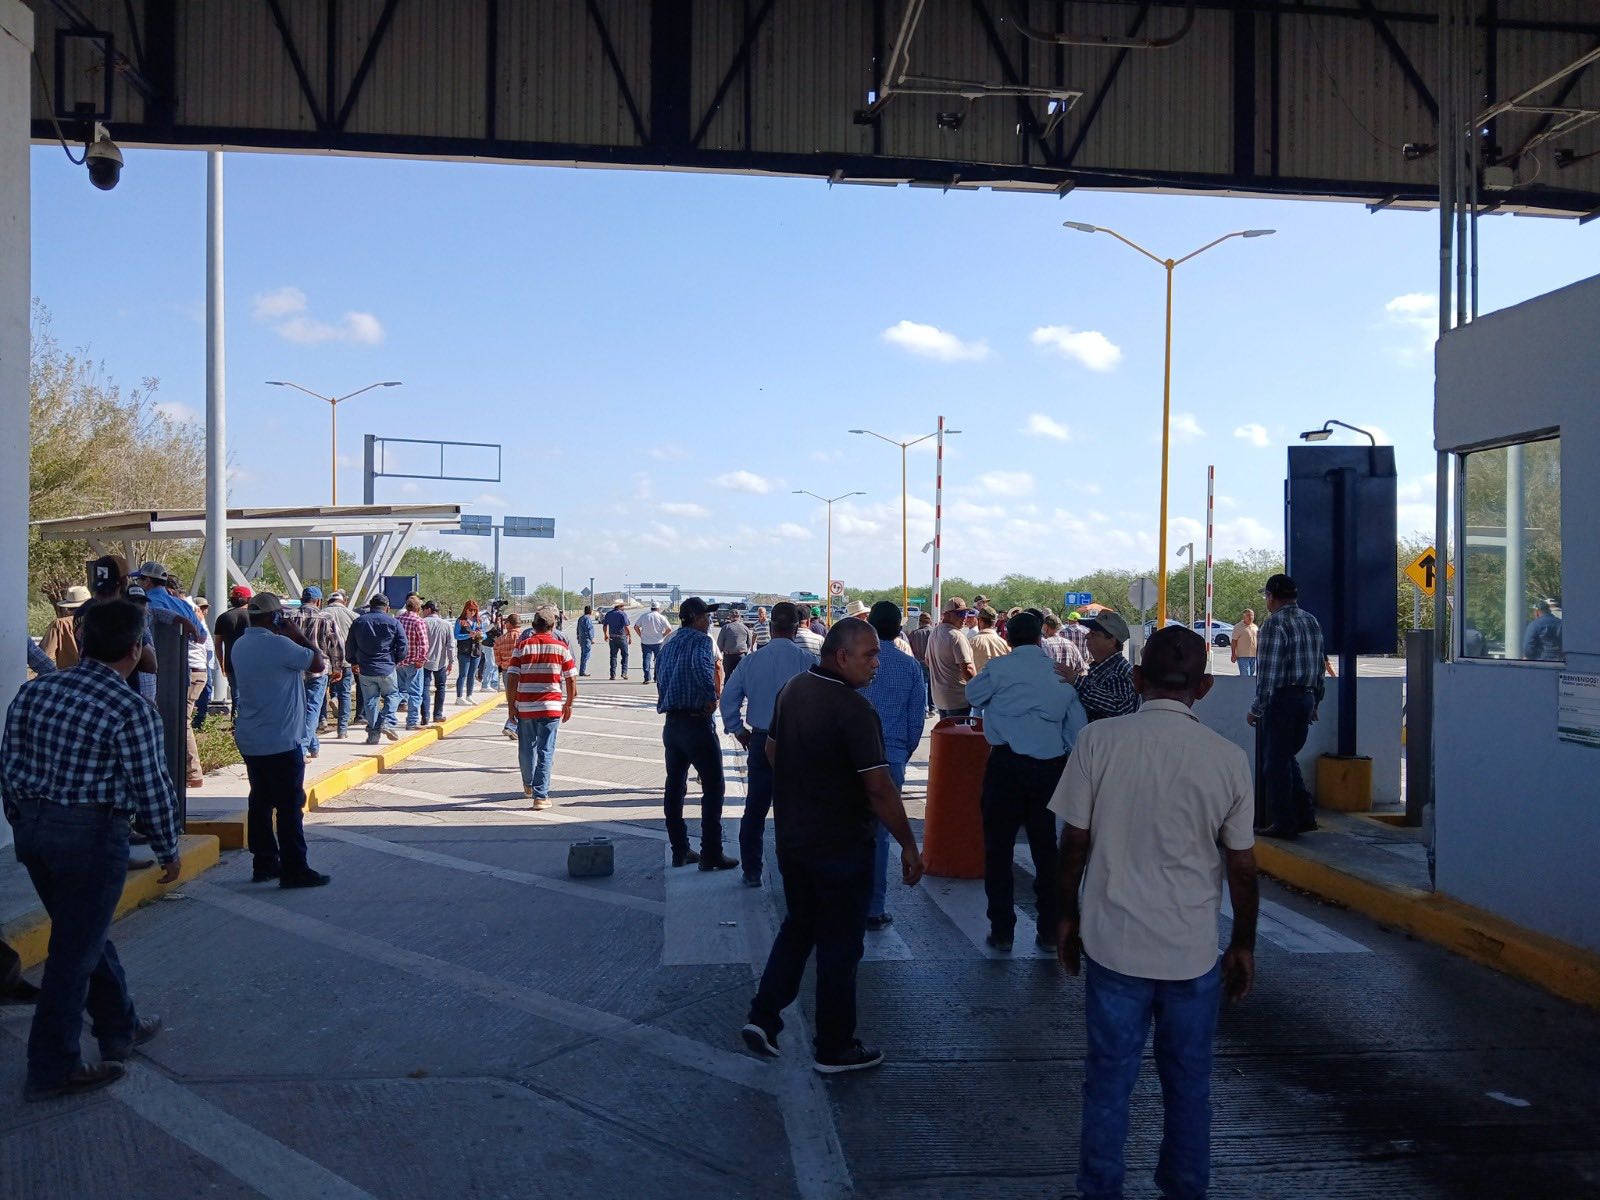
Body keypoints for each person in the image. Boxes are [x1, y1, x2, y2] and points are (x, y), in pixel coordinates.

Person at [1051, 626, 1259, 1200]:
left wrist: (1064, 916)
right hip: (1191, 952)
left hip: (1113, 945)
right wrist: (1242, 943)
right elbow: (1241, 867)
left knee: (1108, 1084)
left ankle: (1101, 1189)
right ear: (1207, 685)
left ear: (1138, 680)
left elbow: (1074, 844)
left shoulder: (1098, 742)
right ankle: (1185, 1189)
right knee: (1190, 1085)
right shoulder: (1228, 759)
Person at [2, 600, 180, 1101]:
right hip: (89, 837)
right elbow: (152, 787)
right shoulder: (130, 708)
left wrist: (22, 819)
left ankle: (119, 1026)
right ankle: (52, 1066)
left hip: (34, 831)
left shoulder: (37, 690)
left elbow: (8, 762)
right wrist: (168, 847)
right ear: (136, 649)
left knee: (85, 935)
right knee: (73, 953)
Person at [742, 619, 925, 1074]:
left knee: (800, 926)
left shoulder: (794, 690)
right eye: (869, 655)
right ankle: (835, 1046)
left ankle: (764, 1017)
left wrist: (804, 785)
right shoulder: (854, 709)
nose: (877, 664)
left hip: (794, 840)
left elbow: (772, 752)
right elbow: (880, 788)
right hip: (842, 845)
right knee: (841, 946)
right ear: (841, 656)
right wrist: (908, 843)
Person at [965, 611, 1086, 952]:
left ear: (1009, 639)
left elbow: (973, 696)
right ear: (1039, 639)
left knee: (998, 848)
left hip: (1005, 767)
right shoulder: (1060, 675)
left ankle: (1002, 930)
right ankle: (1048, 929)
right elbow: (1075, 731)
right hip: (1047, 770)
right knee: (1046, 849)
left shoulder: (1000, 668)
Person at [229, 592, 331, 889]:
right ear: (275, 617)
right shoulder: (280, 644)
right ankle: (295, 868)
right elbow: (317, 663)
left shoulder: (240, 645)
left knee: (259, 801)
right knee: (288, 806)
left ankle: (263, 863)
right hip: (281, 740)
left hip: (251, 737)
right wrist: (298, 634)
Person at [721, 601, 818, 888]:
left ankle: (752, 871)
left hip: (761, 740)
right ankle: (794, 871)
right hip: (796, 743)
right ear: (795, 627)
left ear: (772, 627)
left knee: (755, 809)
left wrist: (739, 732)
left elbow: (728, 699)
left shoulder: (752, 660)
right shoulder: (806, 661)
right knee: (796, 810)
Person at [858, 601, 927, 932]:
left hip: (852, 756)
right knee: (881, 833)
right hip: (892, 758)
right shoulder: (910, 667)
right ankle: (874, 906)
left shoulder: (854, 664)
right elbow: (916, 723)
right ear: (899, 628)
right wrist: (902, 751)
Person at [655, 596, 736, 871]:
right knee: (714, 786)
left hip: (672, 724)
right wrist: (711, 699)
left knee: (675, 786)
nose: (710, 621)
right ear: (695, 618)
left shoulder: (669, 644)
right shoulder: (702, 642)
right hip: (695, 723)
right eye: (706, 617)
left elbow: (660, 679)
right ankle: (711, 851)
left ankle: (680, 849)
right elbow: (704, 672)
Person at [1248, 573, 1326, 840]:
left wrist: (1256, 708)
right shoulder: (1311, 621)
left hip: (1281, 701)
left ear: (1271, 597)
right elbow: (1319, 665)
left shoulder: (1273, 625)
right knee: (1287, 756)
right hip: (1305, 698)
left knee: (1275, 764)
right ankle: (1304, 815)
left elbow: (1268, 674)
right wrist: (1315, 700)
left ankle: (1284, 821)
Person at [134, 562, 209, 787]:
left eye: (140, 580)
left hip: (153, 675)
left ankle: (190, 772)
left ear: (147, 581)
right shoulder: (182, 604)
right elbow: (201, 636)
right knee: (179, 721)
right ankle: (183, 772)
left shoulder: (146, 605)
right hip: (183, 672)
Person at [507, 606, 578, 808]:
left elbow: (512, 677)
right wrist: (569, 704)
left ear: (533, 625)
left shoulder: (522, 647)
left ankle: (529, 784)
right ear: (553, 625)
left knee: (526, 748)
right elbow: (571, 679)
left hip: (526, 705)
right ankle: (541, 795)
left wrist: (511, 706)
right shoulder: (560, 648)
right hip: (551, 706)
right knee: (546, 750)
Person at [288, 586, 345, 760]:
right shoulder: (325, 618)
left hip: (294, 669)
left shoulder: (289, 617)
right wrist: (337, 668)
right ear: (318, 601)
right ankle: (303, 748)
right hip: (319, 670)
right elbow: (336, 645)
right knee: (313, 708)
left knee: (298, 709)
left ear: (302, 599)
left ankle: (313, 745)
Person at [346, 593, 407, 744]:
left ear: (371, 606)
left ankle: (373, 735)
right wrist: (397, 660)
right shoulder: (393, 622)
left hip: (365, 669)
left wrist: (353, 661)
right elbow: (403, 645)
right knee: (393, 695)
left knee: (370, 701)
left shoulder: (359, 621)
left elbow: (350, 644)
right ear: (386, 607)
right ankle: (387, 721)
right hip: (386, 667)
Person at [1064, 611, 1138, 722]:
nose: (1087, 636)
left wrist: (1077, 681)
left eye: (1094, 634)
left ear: (1112, 641)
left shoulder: (1118, 673)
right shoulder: (1103, 667)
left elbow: (1120, 709)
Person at [926, 597, 977, 718]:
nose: (964, 617)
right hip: (958, 700)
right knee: (960, 736)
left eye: (965, 613)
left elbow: (928, 660)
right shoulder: (956, 637)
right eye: (960, 613)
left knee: (948, 735)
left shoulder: (934, 633)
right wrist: (979, 688)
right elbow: (968, 669)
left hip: (941, 698)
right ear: (947, 615)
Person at [323, 589, 358, 736]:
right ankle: (342, 729)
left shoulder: (321, 614)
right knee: (345, 694)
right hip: (345, 661)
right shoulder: (354, 616)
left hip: (324, 662)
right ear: (343, 601)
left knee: (321, 693)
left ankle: (322, 721)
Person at [395, 596, 430, 730]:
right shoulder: (418, 621)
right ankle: (412, 722)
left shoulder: (398, 619)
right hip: (414, 662)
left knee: (399, 692)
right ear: (418, 608)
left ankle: (387, 716)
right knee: (415, 693)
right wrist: (421, 659)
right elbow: (424, 643)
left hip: (399, 662)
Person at [420, 599, 454, 724]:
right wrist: (451, 661)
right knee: (440, 687)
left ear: (429, 609)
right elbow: (450, 645)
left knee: (424, 688)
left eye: (424, 609)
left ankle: (425, 716)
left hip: (423, 662)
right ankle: (438, 714)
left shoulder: (422, 623)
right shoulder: (446, 624)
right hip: (440, 662)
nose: (422, 612)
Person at [39, 585, 89, 669]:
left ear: (67, 607)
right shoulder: (101, 619)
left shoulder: (60, 624)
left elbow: (45, 656)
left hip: (70, 677)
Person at [494, 612, 523, 738]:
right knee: (520, 699)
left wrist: (501, 664)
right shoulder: (524, 638)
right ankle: (511, 725)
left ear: (509, 624)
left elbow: (497, 658)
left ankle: (512, 725)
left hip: (507, 671)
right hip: (521, 671)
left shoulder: (500, 640)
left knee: (511, 699)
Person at [454, 600, 485, 701]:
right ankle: (459, 697)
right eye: (470, 610)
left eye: (475, 610)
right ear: (466, 610)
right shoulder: (460, 621)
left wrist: (481, 635)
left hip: (476, 651)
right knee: (463, 674)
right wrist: (468, 635)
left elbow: (485, 634)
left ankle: (469, 695)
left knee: (472, 674)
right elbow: (456, 635)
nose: (472, 612)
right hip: (464, 651)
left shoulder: (478, 621)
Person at [634, 600, 671, 684]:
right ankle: (656, 677)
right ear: (658, 608)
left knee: (646, 660)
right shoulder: (662, 617)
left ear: (651, 608)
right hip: (658, 642)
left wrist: (641, 635)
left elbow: (636, 627)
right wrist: (663, 635)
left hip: (646, 642)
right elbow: (669, 629)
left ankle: (647, 678)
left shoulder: (644, 616)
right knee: (658, 660)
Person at [907, 610, 936, 717]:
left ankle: (925, 709)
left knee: (923, 686)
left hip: (919, 663)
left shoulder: (914, 634)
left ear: (920, 622)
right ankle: (932, 707)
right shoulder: (935, 633)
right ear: (930, 621)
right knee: (932, 685)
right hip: (933, 662)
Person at [969, 605, 1010, 673]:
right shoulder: (1005, 644)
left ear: (980, 621)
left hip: (979, 682)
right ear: (994, 623)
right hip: (999, 683)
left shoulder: (972, 642)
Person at [717, 606, 754, 678]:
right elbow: (749, 642)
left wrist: (719, 654)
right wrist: (745, 652)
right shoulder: (745, 628)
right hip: (741, 655)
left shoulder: (726, 627)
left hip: (728, 656)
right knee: (741, 677)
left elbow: (720, 643)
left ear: (730, 616)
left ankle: (727, 689)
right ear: (739, 616)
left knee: (728, 677)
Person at [601, 598, 633, 680]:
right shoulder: (623, 614)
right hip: (622, 637)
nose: (624, 607)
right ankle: (624, 673)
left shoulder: (608, 614)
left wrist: (606, 634)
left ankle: (612, 674)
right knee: (625, 655)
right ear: (620, 606)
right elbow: (626, 627)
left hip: (612, 637)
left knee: (613, 656)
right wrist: (630, 637)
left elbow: (605, 625)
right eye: (623, 605)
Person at [1230, 608, 1260, 676]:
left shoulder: (1255, 627)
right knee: (1245, 676)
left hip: (1254, 656)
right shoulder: (1238, 627)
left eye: (1252, 615)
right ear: (1244, 617)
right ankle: (1244, 687)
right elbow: (1234, 641)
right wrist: (1233, 654)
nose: (1251, 617)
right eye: (1249, 615)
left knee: (1251, 676)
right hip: (1243, 656)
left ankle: (1248, 687)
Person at [574, 605, 597, 677]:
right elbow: (588, 629)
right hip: (586, 639)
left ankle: (582, 670)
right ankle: (582, 671)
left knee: (583, 654)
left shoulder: (581, 618)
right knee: (586, 655)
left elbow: (578, 629)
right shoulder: (587, 618)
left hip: (581, 638)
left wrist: (578, 637)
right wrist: (592, 638)